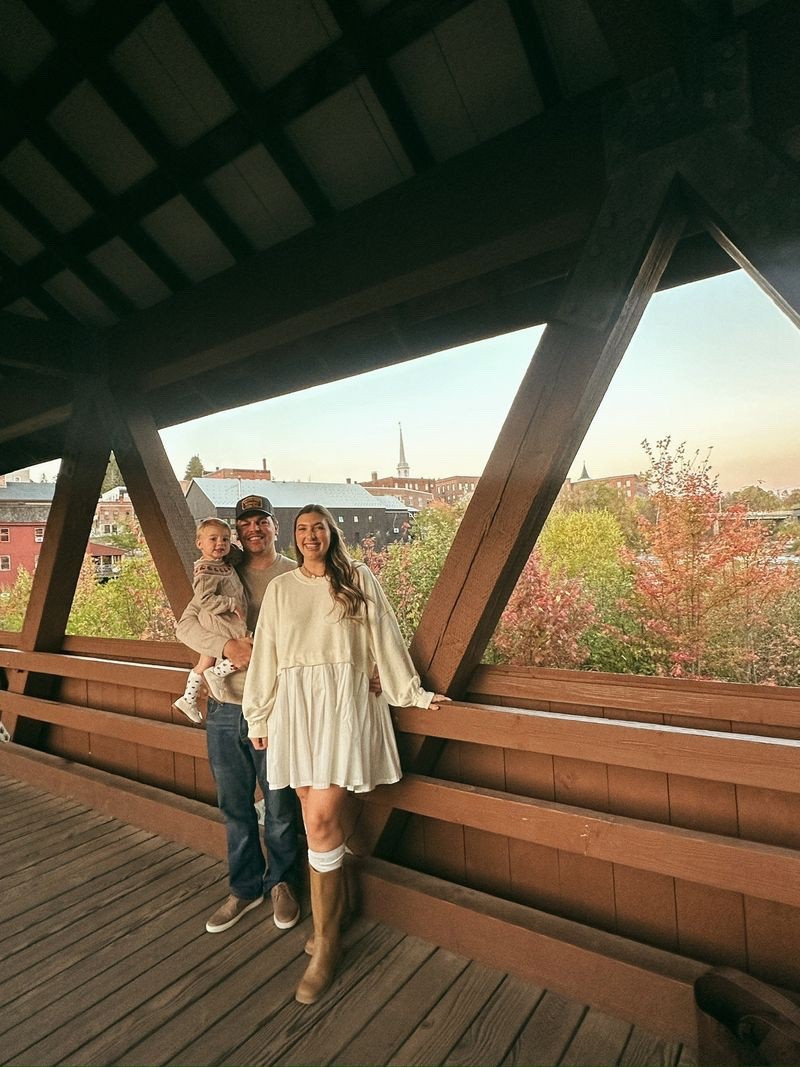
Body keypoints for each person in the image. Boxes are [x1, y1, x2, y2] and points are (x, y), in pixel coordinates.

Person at [243, 504, 448, 1005]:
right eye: (302, 529)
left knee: (319, 821)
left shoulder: (357, 578)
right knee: (316, 820)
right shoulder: (281, 589)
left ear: (332, 533)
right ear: (294, 538)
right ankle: (331, 918)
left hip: (343, 707)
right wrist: (258, 715)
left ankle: (327, 942)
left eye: (318, 527)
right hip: (295, 710)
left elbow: (386, 637)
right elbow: (266, 651)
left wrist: (411, 692)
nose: (310, 535)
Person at [175, 495, 301, 934]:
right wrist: (227, 646)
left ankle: (282, 882)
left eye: (261, 521)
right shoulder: (221, 570)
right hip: (225, 707)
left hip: (276, 706)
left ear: (275, 527)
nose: (253, 530)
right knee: (235, 806)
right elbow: (185, 626)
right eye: (245, 524)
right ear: (236, 533)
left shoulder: (295, 574)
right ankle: (245, 889)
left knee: (281, 804)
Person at [173, 517, 246, 724]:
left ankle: (188, 699)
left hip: (217, 621)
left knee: (204, 662)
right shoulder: (206, 569)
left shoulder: (221, 563)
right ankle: (216, 674)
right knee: (247, 646)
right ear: (199, 543)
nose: (220, 543)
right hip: (222, 621)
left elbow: (237, 556)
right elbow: (204, 598)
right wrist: (230, 603)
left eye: (225, 539)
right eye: (213, 539)